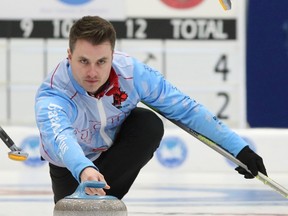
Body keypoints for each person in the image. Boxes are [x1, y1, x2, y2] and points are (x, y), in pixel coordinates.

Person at [34, 15, 267, 204]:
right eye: (84, 61)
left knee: (148, 123)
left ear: (112, 57)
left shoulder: (133, 74)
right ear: (69, 56)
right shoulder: (54, 94)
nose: (93, 72)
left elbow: (185, 108)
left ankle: (101, 200)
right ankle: (87, 198)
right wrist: (84, 169)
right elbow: (62, 138)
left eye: (101, 62)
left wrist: (239, 149)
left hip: (113, 156)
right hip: (72, 169)